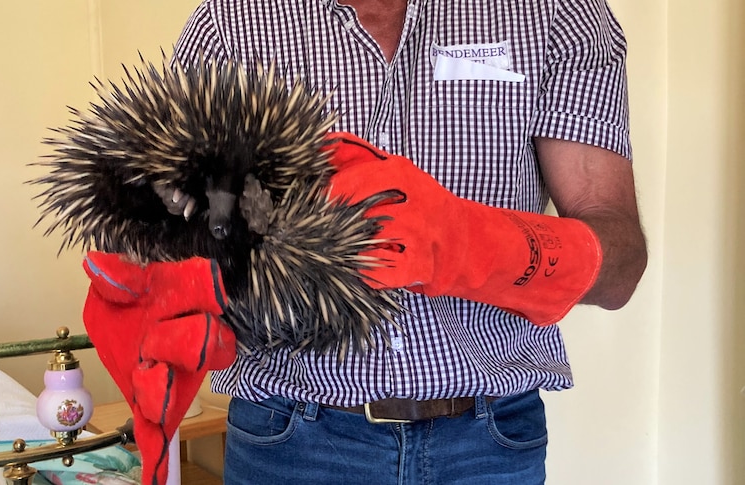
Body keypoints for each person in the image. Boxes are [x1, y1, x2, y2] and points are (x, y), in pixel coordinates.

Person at [170, 0, 648, 483]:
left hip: (488, 446)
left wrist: (463, 240)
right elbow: (172, 223)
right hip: (291, 438)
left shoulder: (556, 13)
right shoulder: (230, 24)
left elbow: (620, 269)